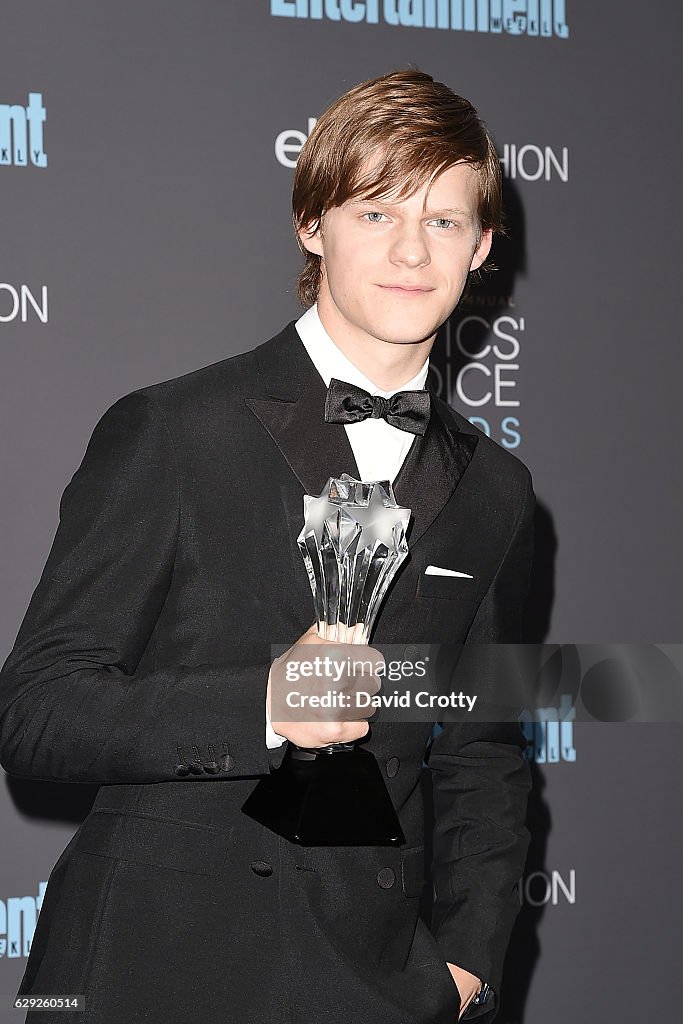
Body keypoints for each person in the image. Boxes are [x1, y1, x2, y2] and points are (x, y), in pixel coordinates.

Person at [0, 69, 534, 1024]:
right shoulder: (173, 430)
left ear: (483, 245)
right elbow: (39, 712)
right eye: (375, 213)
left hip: (372, 977)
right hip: (155, 962)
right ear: (312, 223)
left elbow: (483, 753)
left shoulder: (497, 491)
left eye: (444, 221)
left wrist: (465, 967)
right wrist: (267, 705)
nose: (411, 250)